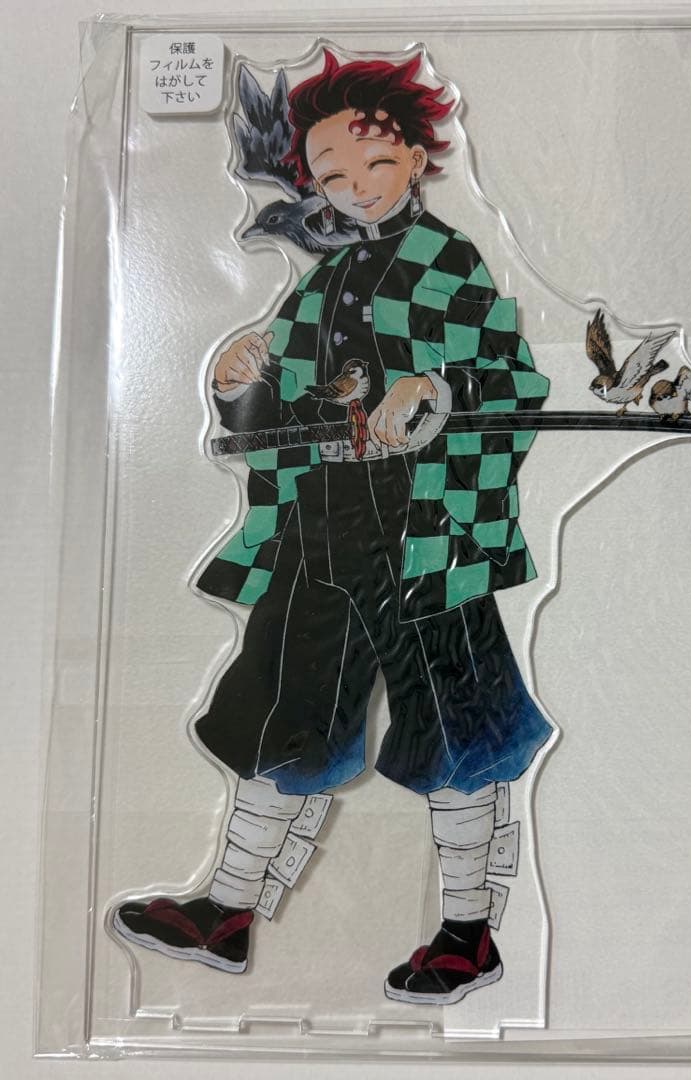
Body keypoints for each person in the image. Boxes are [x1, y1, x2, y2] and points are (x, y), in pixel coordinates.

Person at [112, 50, 553, 1006]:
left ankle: (470, 931)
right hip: (321, 528)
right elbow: (272, 424)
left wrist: (436, 386)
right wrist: (237, 382)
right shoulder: (320, 286)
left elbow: (511, 382)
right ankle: (228, 909)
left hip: (426, 530)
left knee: (454, 721)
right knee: (285, 709)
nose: (355, 188)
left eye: (376, 163)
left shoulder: (447, 260)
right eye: (332, 174)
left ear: (419, 157)